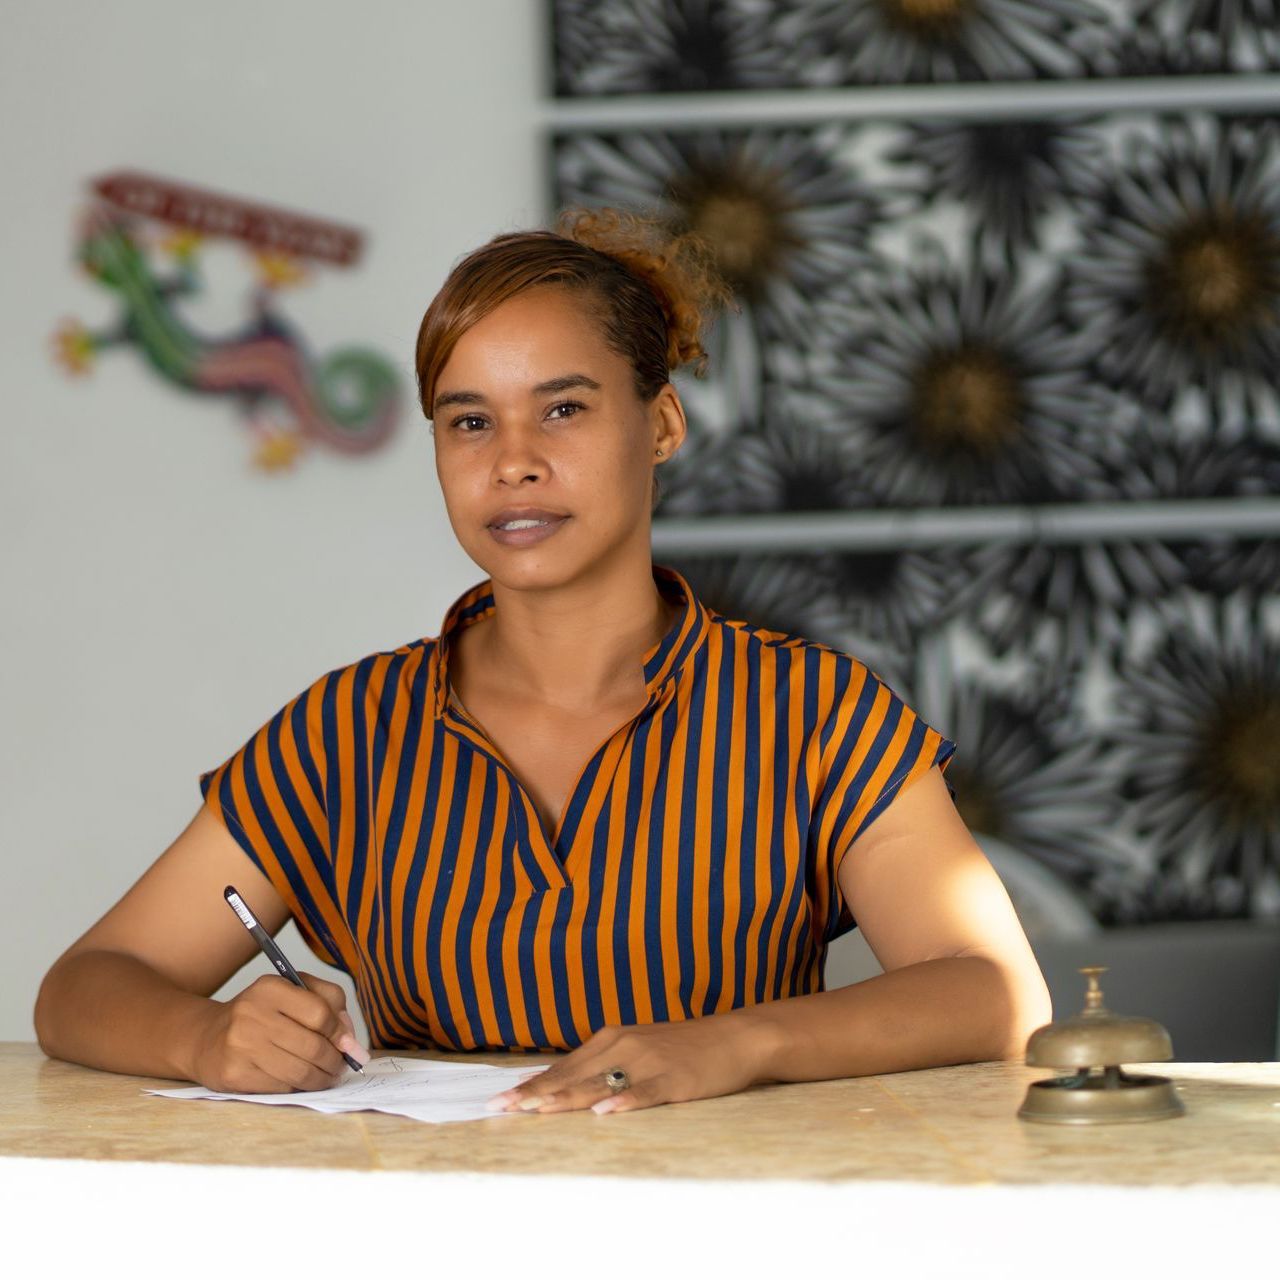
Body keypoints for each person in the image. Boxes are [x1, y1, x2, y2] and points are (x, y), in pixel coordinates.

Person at [34, 208, 1052, 1116]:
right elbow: (85, 983)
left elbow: (992, 988)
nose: (511, 459)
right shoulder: (349, 730)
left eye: (561, 407)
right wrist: (210, 1036)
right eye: (468, 420)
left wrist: (733, 1041)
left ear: (658, 425)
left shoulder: (809, 712)